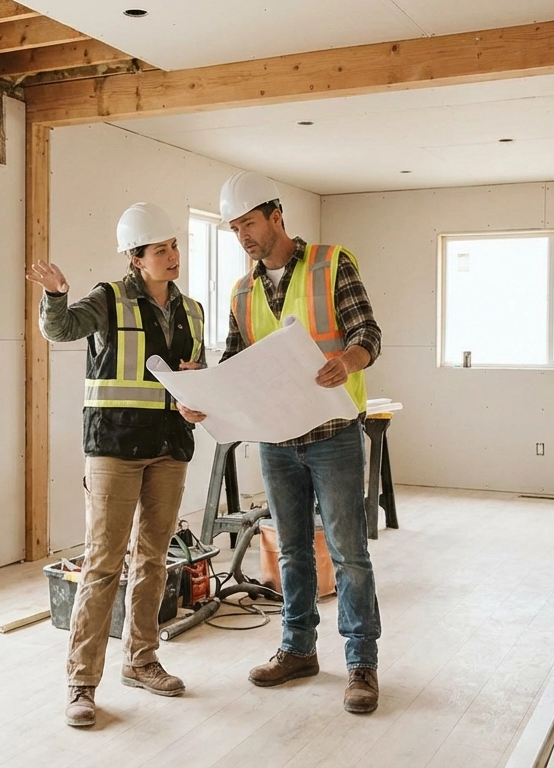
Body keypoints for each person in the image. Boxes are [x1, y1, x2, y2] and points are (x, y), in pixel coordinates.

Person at [183, 170, 384, 714]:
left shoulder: (331, 263)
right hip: (276, 439)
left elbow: (368, 333)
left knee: (349, 554)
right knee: (292, 551)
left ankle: (361, 664)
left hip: (333, 434)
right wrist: (202, 395)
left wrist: (348, 361)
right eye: (233, 228)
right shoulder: (242, 291)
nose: (242, 236)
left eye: (249, 223)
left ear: (276, 216)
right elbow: (235, 364)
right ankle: (298, 650)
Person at [27, 202, 207, 728]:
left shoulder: (193, 310)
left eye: (174, 246)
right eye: (160, 250)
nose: (172, 256)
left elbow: (195, 376)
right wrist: (56, 295)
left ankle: (142, 661)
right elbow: (61, 329)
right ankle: (81, 684)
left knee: (153, 559)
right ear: (136, 258)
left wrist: (197, 390)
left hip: (170, 446)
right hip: (114, 446)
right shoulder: (109, 299)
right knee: (104, 563)